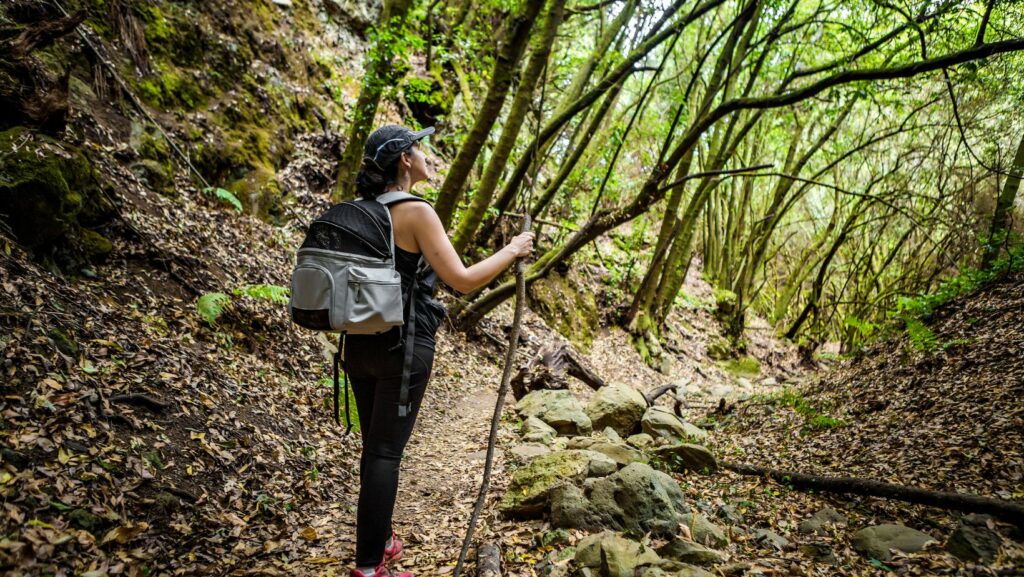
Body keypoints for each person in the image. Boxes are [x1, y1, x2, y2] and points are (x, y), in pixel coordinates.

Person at [344, 125, 534, 577]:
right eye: (419, 147)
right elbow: (463, 281)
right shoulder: (415, 212)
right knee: (386, 454)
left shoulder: (358, 210)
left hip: (356, 344)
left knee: (375, 450)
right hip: (402, 347)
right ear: (405, 161)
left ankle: (381, 541)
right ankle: (370, 568)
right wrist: (512, 249)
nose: (426, 153)